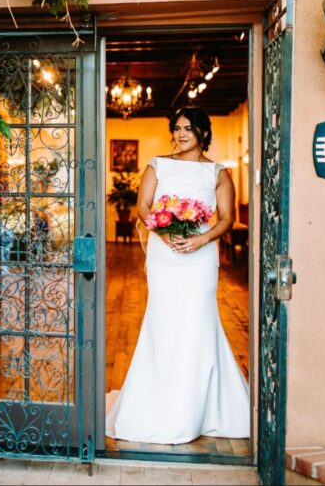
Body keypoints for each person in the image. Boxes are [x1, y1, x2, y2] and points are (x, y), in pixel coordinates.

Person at [105, 107, 250, 444]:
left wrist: (200, 239)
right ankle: (158, 404)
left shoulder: (218, 172)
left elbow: (227, 218)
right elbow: (144, 208)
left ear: (203, 132)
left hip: (200, 260)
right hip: (164, 255)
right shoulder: (158, 165)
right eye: (177, 128)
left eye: (188, 128)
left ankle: (201, 408)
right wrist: (165, 234)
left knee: (199, 321)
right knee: (164, 321)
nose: (181, 134)